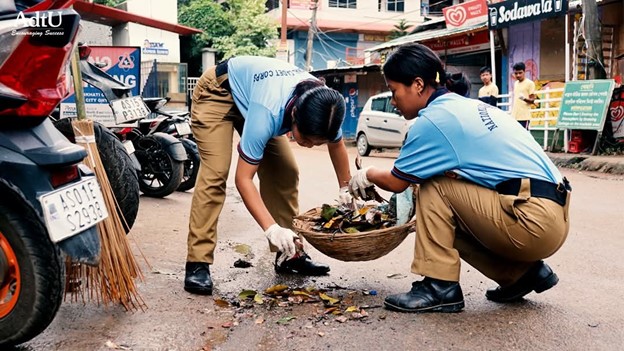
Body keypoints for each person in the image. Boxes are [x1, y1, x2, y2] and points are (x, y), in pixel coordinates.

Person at [348, 43, 571, 313]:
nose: (393, 102)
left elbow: (398, 182)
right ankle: (522, 274)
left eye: (394, 91)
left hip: (532, 220)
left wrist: (366, 173)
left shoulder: (434, 121)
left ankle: (439, 287)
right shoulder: (464, 106)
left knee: (433, 186)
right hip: (551, 214)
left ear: (418, 84)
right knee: (445, 218)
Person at [185, 56, 352, 295]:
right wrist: (271, 228)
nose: (308, 145)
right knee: (215, 174)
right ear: (294, 115)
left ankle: (288, 255)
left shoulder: (327, 108)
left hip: (255, 94)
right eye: (304, 139)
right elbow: (243, 179)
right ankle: (197, 261)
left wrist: (345, 188)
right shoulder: (268, 113)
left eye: (317, 143)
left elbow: (337, 146)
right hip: (219, 92)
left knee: (285, 171)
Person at [510, 62, 536, 129]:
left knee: (523, 137)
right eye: (516, 73)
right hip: (515, 116)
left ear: (524, 72)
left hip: (524, 117)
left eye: (520, 73)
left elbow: (532, 100)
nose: (518, 75)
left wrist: (524, 98)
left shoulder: (530, 83)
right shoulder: (516, 83)